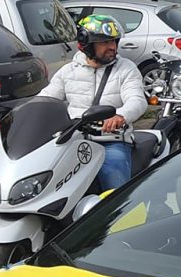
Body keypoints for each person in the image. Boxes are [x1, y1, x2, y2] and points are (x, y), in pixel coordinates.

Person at [38, 14, 148, 192]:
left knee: (115, 186)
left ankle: (118, 218)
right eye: (104, 42)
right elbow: (45, 100)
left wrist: (121, 115)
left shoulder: (126, 69)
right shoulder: (68, 71)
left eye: (114, 41)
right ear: (87, 44)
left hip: (111, 142)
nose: (112, 47)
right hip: (73, 141)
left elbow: (137, 100)